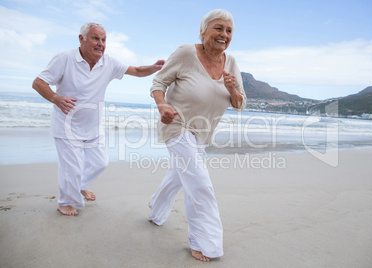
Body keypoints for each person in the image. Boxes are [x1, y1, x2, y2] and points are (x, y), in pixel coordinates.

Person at [32, 22, 165, 216]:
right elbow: (38, 82)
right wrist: (55, 98)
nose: (100, 43)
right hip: (66, 126)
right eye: (95, 38)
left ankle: (80, 186)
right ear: (81, 39)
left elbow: (136, 71)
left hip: (93, 127)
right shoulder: (65, 58)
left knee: (100, 163)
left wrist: (153, 68)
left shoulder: (108, 62)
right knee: (72, 168)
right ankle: (65, 202)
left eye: (103, 40)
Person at [148, 9, 246, 262]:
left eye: (229, 30)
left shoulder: (231, 63)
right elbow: (159, 83)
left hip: (202, 134)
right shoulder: (185, 53)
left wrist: (233, 89)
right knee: (200, 183)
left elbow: (240, 103)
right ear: (202, 31)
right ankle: (204, 243)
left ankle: (156, 211)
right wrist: (162, 107)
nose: (224, 34)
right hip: (177, 125)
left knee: (179, 177)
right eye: (218, 28)